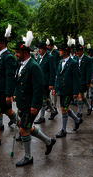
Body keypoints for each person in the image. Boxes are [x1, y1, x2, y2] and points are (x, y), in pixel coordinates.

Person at [12, 32, 56, 166]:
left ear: (25, 52)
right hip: (23, 102)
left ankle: (28, 157)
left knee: (23, 128)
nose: (16, 54)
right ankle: (48, 141)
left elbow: (38, 88)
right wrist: (15, 94)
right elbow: (17, 81)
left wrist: (35, 105)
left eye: (18, 52)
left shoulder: (33, 66)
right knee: (27, 127)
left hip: (31, 103)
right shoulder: (21, 64)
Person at [53, 43, 83, 138]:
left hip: (69, 90)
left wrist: (75, 92)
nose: (59, 52)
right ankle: (77, 120)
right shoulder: (60, 62)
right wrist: (55, 88)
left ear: (66, 52)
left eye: (61, 50)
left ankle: (63, 130)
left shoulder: (73, 63)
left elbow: (77, 79)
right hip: (62, 89)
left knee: (64, 108)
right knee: (64, 108)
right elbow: (58, 77)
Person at [34, 41, 56, 124]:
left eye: (40, 48)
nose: (38, 50)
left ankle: (42, 117)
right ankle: (53, 111)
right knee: (46, 99)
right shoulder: (39, 57)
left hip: (46, 83)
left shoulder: (50, 58)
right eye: (38, 48)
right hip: (40, 82)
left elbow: (52, 71)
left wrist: (51, 83)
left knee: (43, 99)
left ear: (45, 49)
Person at [74, 36, 92, 117]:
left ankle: (79, 112)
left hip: (83, 80)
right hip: (76, 80)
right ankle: (89, 107)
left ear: (82, 51)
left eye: (78, 50)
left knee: (79, 95)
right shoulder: (75, 58)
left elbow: (89, 71)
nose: (77, 52)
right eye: (76, 50)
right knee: (81, 95)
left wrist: (88, 82)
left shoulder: (87, 59)